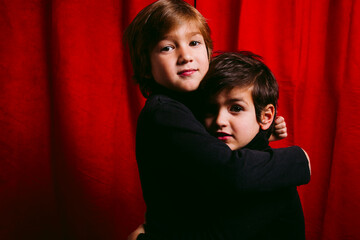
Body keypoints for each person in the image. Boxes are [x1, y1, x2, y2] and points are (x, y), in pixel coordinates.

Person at [123, 0, 310, 239]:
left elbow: (203, 150)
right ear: (146, 66)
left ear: (208, 52)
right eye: (167, 48)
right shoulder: (165, 113)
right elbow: (227, 170)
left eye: (194, 43)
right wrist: (297, 159)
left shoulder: (190, 103)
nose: (185, 56)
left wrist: (262, 132)